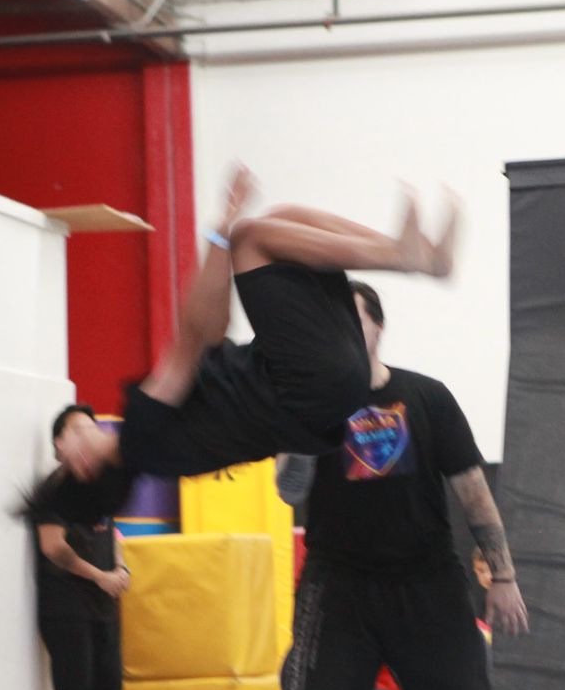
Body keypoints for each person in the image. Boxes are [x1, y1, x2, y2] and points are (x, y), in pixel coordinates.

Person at [257, 279, 540, 690]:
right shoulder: (305, 404)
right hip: (338, 585)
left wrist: (503, 573)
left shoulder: (427, 397)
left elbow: (472, 490)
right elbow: (288, 491)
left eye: (352, 320)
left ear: (378, 327)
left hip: (426, 579)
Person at [39, 165, 457, 523]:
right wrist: (221, 229)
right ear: (85, 468)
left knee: (284, 218)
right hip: (307, 385)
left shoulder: (160, 453)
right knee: (251, 237)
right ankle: (399, 257)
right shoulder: (142, 433)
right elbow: (192, 336)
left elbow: (212, 329)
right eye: (60, 458)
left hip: (329, 394)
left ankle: (423, 259)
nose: (59, 445)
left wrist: (223, 241)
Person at [27, 415, 144, 690]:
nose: (86, 439)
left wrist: (121, 568)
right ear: (58, 443)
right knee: (76, 683)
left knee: (109, 682)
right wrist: (98, 576)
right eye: (76, 431)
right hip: (67, 602)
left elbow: (114, 534)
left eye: (91, 431)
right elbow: (53, 547)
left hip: (104, 601)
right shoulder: (53, 491)